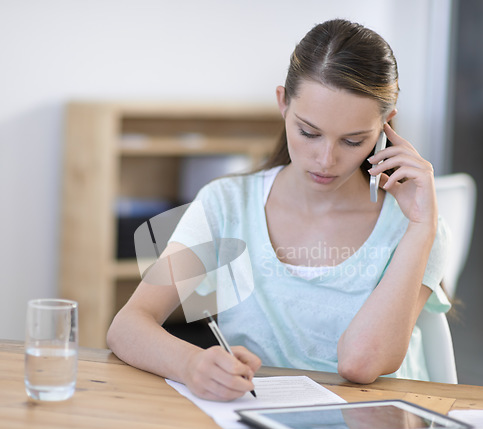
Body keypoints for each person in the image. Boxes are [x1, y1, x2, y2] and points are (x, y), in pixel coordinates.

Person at [107, 19, 450, 401]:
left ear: (386, 128)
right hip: (259, 427)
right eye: (309, 132)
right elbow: (127, 326)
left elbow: (360, 365)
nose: (326, 159)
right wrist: (190, 364)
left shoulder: (415, 226)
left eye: (353, 141)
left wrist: (421, 228)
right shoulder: (226, 205)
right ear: (283, 102)